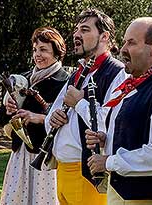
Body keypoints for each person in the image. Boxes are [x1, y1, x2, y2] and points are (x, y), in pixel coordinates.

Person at [85, 17, 152, 204]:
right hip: (119, 192)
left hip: (147, 198)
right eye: (124, 41)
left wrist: (109, 161)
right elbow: (135, 133)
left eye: (131, 43)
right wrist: (106, 139)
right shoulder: (134, 85)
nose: (123, 49)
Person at [46, 9, 127, 205]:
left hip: (88, 174)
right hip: (64, 172)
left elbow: (111, 124)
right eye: (76, 30)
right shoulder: (78, 73)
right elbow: (50, 118)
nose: (76, 35)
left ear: (104, 36)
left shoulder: (117, 72)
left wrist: (80, 103)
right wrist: (53, 118)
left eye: (84, 30)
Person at [0, 27, 68, 204]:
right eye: (35, 50)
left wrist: (38, 117)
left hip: (47, 155)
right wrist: (8, 109)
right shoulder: (24, 77)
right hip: (20, 153)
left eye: (44, 50)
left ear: (57, 53)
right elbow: (0, 117)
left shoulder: (64, 81)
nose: (38, 55)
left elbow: (67, 120)